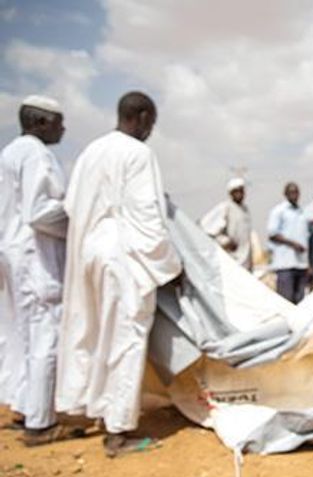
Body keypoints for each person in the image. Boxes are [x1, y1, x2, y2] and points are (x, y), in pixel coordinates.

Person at [56, 91, 182, 457]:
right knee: (126, 338)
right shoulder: (137, 154)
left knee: (93, 332)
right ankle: (119, 431)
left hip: (90, 254)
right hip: (122, 257)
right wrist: (169, 265)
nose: (150, 132)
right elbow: (146, 216)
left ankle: (86, 409)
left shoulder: (91, 152)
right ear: (141, 117)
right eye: (151, 124)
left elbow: (70, 204)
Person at [0, 95, 76, 445]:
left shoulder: (10, 153)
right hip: (34, 257)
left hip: (12, 255)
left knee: (21, 336)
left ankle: (23, 407)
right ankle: (40, 424)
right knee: (45, 334)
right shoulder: (36, 154)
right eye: (59, 122)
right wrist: (77, 219)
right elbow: (39, 211)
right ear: (42, 122)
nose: (63, 129)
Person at [268, 182, 309, 303]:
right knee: (285, 302)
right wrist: (293, 244)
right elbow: (272, 234)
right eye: (291, 192)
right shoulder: (279, 211)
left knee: (299, 302)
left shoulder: (301, 212)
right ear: (285, 194)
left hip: (301, 264)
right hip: (285, 264)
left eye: (296, 192)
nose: (294, 195)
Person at [200, 177, 253, 270]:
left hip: (246, 260)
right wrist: (225, 241)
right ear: (231, 193)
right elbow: (206, 228)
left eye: (241, 191)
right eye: (236, 191)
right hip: (232, 260)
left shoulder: (245, 209)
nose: (240, 194)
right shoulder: (225, 207)